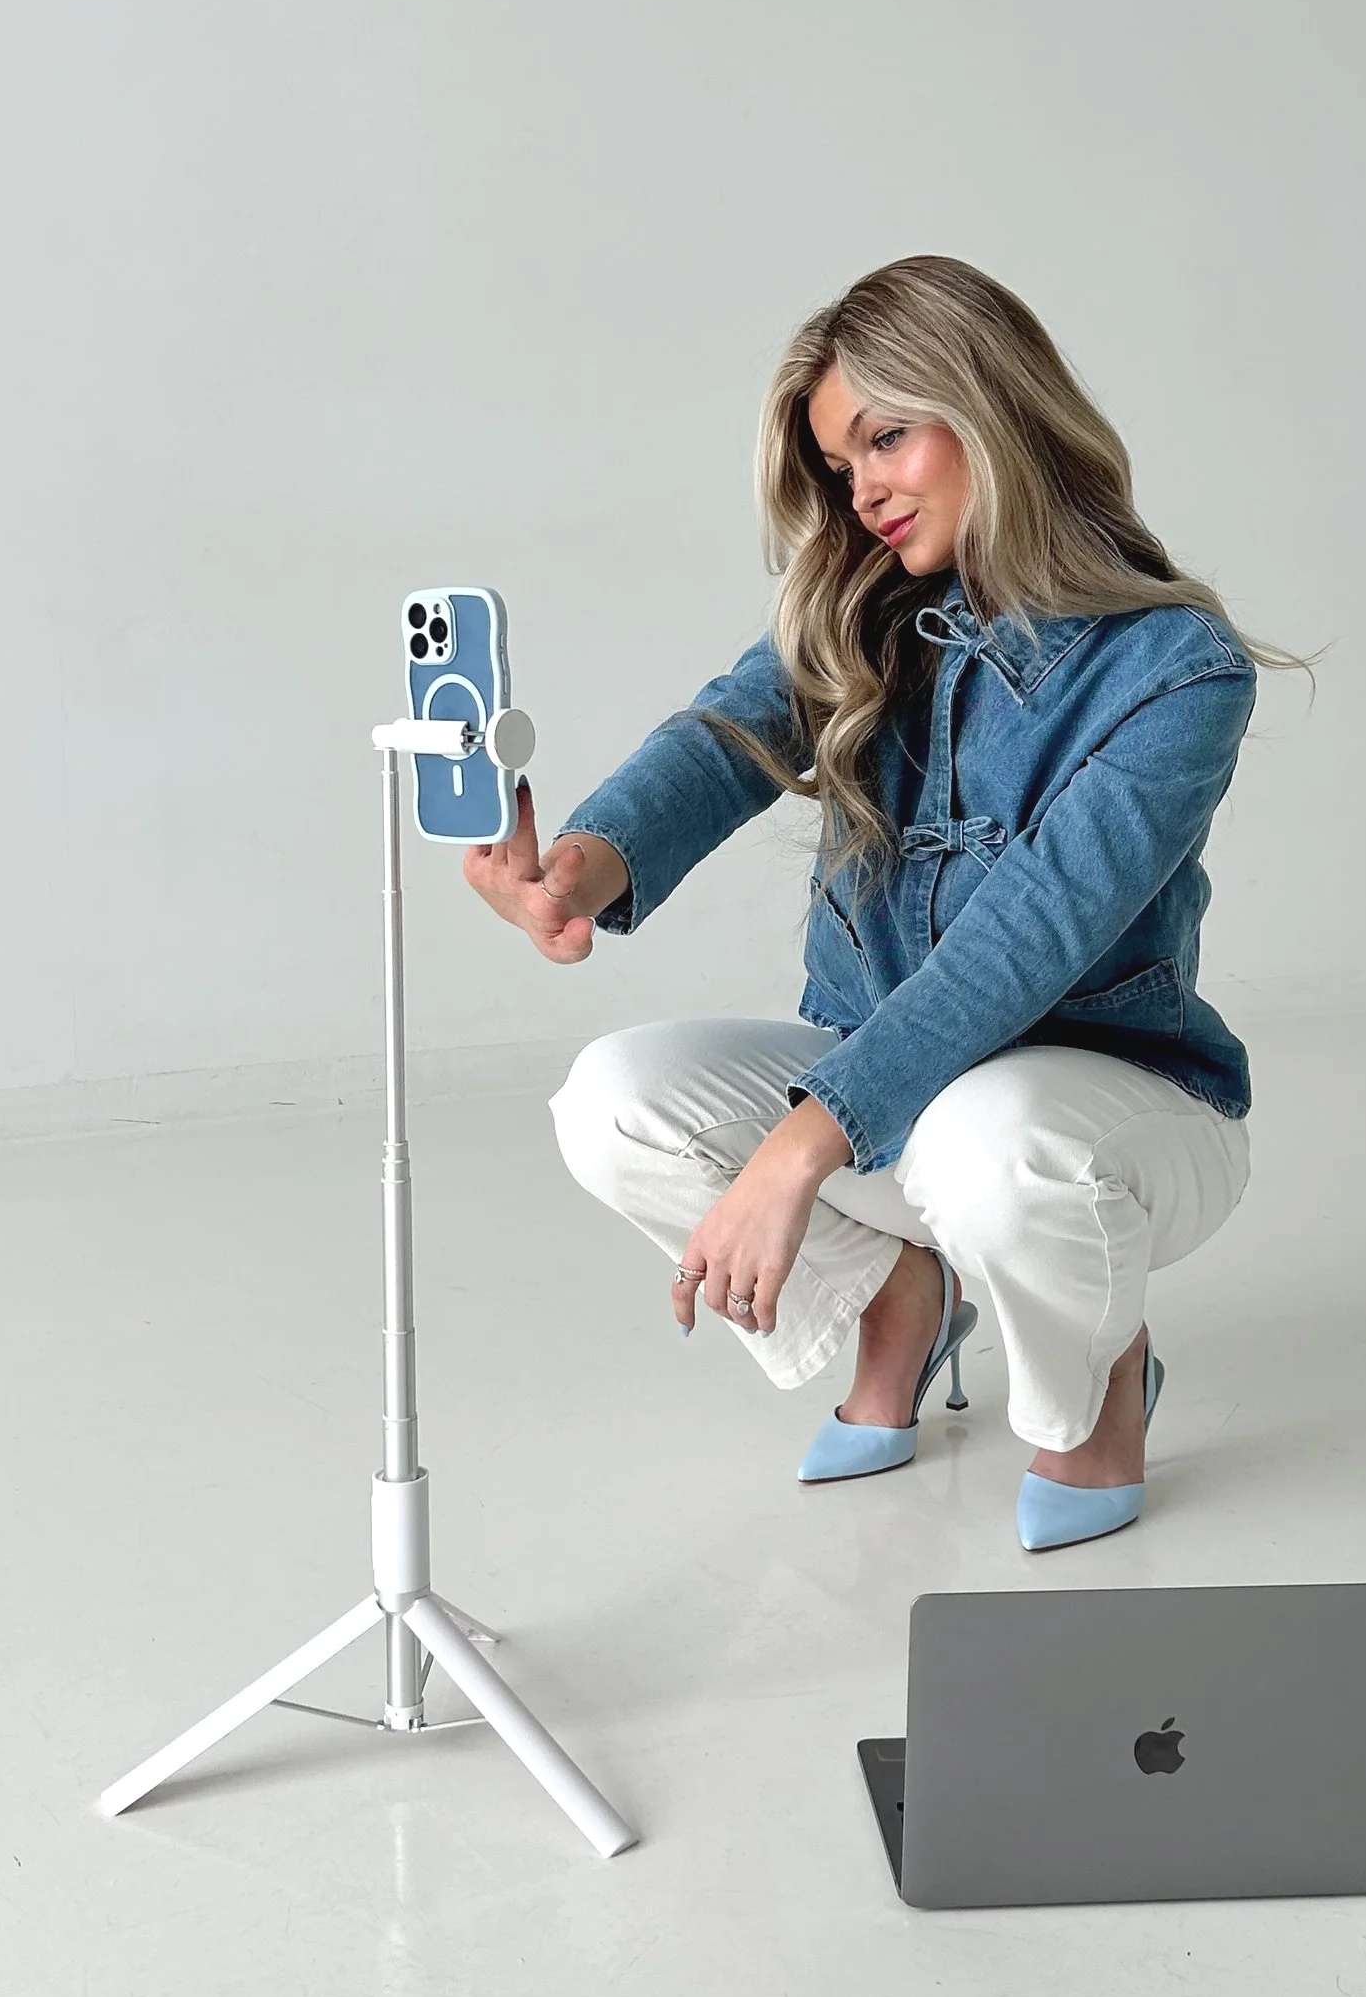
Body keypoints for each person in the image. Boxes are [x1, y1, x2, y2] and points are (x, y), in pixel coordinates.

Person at [465, 254, 1294, 1552]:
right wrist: (582, 865)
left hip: (1112, 1125)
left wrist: (803, 1147)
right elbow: (723, 741)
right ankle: (897, 1295)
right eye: (841, 465)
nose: (863, 490)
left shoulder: (1176, 669)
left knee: (992, 1135)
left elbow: (1031, 933)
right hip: (897, 1113)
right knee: (612, 1099)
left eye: (885, 438)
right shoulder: (871, 614)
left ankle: (1100, 1380)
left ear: (989, 408)